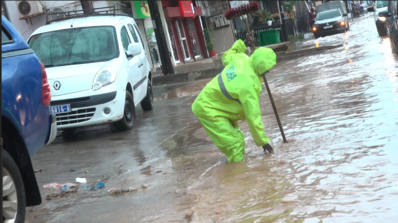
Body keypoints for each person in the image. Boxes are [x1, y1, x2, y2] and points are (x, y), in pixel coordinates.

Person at [192, 39, 276, 163]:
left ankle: (237, 171)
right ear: (264, 70)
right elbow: (253, 118)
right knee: (235, 144)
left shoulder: (241, 58)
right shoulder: (249, 86)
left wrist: (240, 45)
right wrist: (263, 141)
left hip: (218, 106)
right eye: (268, 70)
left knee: (238, 137)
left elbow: (226, 56)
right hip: (208, 109)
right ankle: (238, 177)